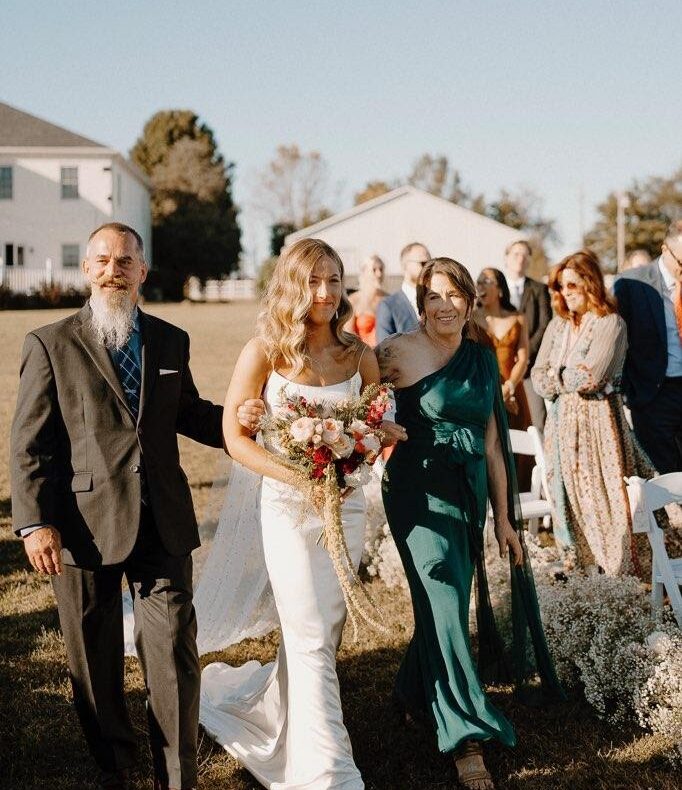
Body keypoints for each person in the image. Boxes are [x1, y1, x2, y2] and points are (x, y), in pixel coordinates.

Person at [9, 222, 259, 790]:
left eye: (124, 262)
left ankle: (177, 775)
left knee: (174, 651)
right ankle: (116, 767)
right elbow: (30, 443)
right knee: (93, 661)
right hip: (81, 529)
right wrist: (35, 522)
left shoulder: (171, 340)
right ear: (86, 270)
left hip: (164, 524)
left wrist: (237, 422)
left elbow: (187, 412)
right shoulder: (50, 343)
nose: (112, 271)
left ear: (142, 271)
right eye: (101, 261)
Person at [199, 238, 405, 790]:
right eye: (314, 281)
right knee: (310, 631)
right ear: (293, 284)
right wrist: (302, 480)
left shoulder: (358, 354)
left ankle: (283, 722)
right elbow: (234, 436)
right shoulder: (265, 351)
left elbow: (370, 424)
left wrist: (377, 436)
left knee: (321, 631)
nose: (325, 292)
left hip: (349, 507)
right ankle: (327, 773)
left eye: (334, 280)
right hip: (290, 509)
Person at [377, 258, 563, 790]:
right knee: (441, 595)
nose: (444, 306)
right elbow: (356, 402)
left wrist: (504, 517)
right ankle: (465, 738)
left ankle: (414, 692)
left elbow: (493, 445)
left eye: (455, 296)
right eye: (434, 296)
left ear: (470, 301)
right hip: (418, 494)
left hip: (468, 493)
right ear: (419, 302)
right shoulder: (393, 353)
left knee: (449, 602)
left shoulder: (482, 358)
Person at [531, 250, 658, 575]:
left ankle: (619, 576)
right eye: (560, 287)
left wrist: (557, 375)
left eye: (572, 285)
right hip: (560, 426)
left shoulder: (610, 323)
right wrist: (561, 377)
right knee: (566, 501)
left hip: (599, 426)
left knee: (603, 503)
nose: (565, 293)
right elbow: (537, 377)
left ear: (590, 283)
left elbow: (591, 377)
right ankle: (581, 576)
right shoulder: (558, 326)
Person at [614, 221, 682, 473]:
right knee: (663, 474)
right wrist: (628, 391)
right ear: (665, 250)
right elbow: (619, 341)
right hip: (653, 394)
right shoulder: (632, 284)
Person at [473, 267, 533, 490]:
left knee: (518, 446)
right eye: (478, 281)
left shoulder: (518, 317)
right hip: (484, 391)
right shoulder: (471, 318)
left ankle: (524, 501)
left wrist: (509, 387)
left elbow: (523, 356)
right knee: (491, 446)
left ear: (499, 288)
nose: (480, 285)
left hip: (514, 390)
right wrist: (497, 391)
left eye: (486, 281)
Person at [504, 240, 552, 429]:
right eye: (516, 254)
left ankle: (540, 459)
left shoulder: (539, 289)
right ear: (506, 258)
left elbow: (544, 325)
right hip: (502, 366)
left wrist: (524, 353)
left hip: (531, 365)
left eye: (525, 255)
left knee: (537, 419)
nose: (520, 259)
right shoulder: (495, 288)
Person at [375, 242, 431, 342]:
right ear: (405, 265)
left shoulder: (436, 301)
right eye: (423, 263)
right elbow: (383, 350)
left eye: (430, 264)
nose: (428, 268)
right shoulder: (388, 305)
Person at [344, 253, 388, 345]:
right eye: (374, 269)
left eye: (381, 269)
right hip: (361, 355)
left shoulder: (390, 300)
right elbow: (348, 335)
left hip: (386, 355)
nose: (379, 274)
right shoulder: (353, 300)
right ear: (364, 272)